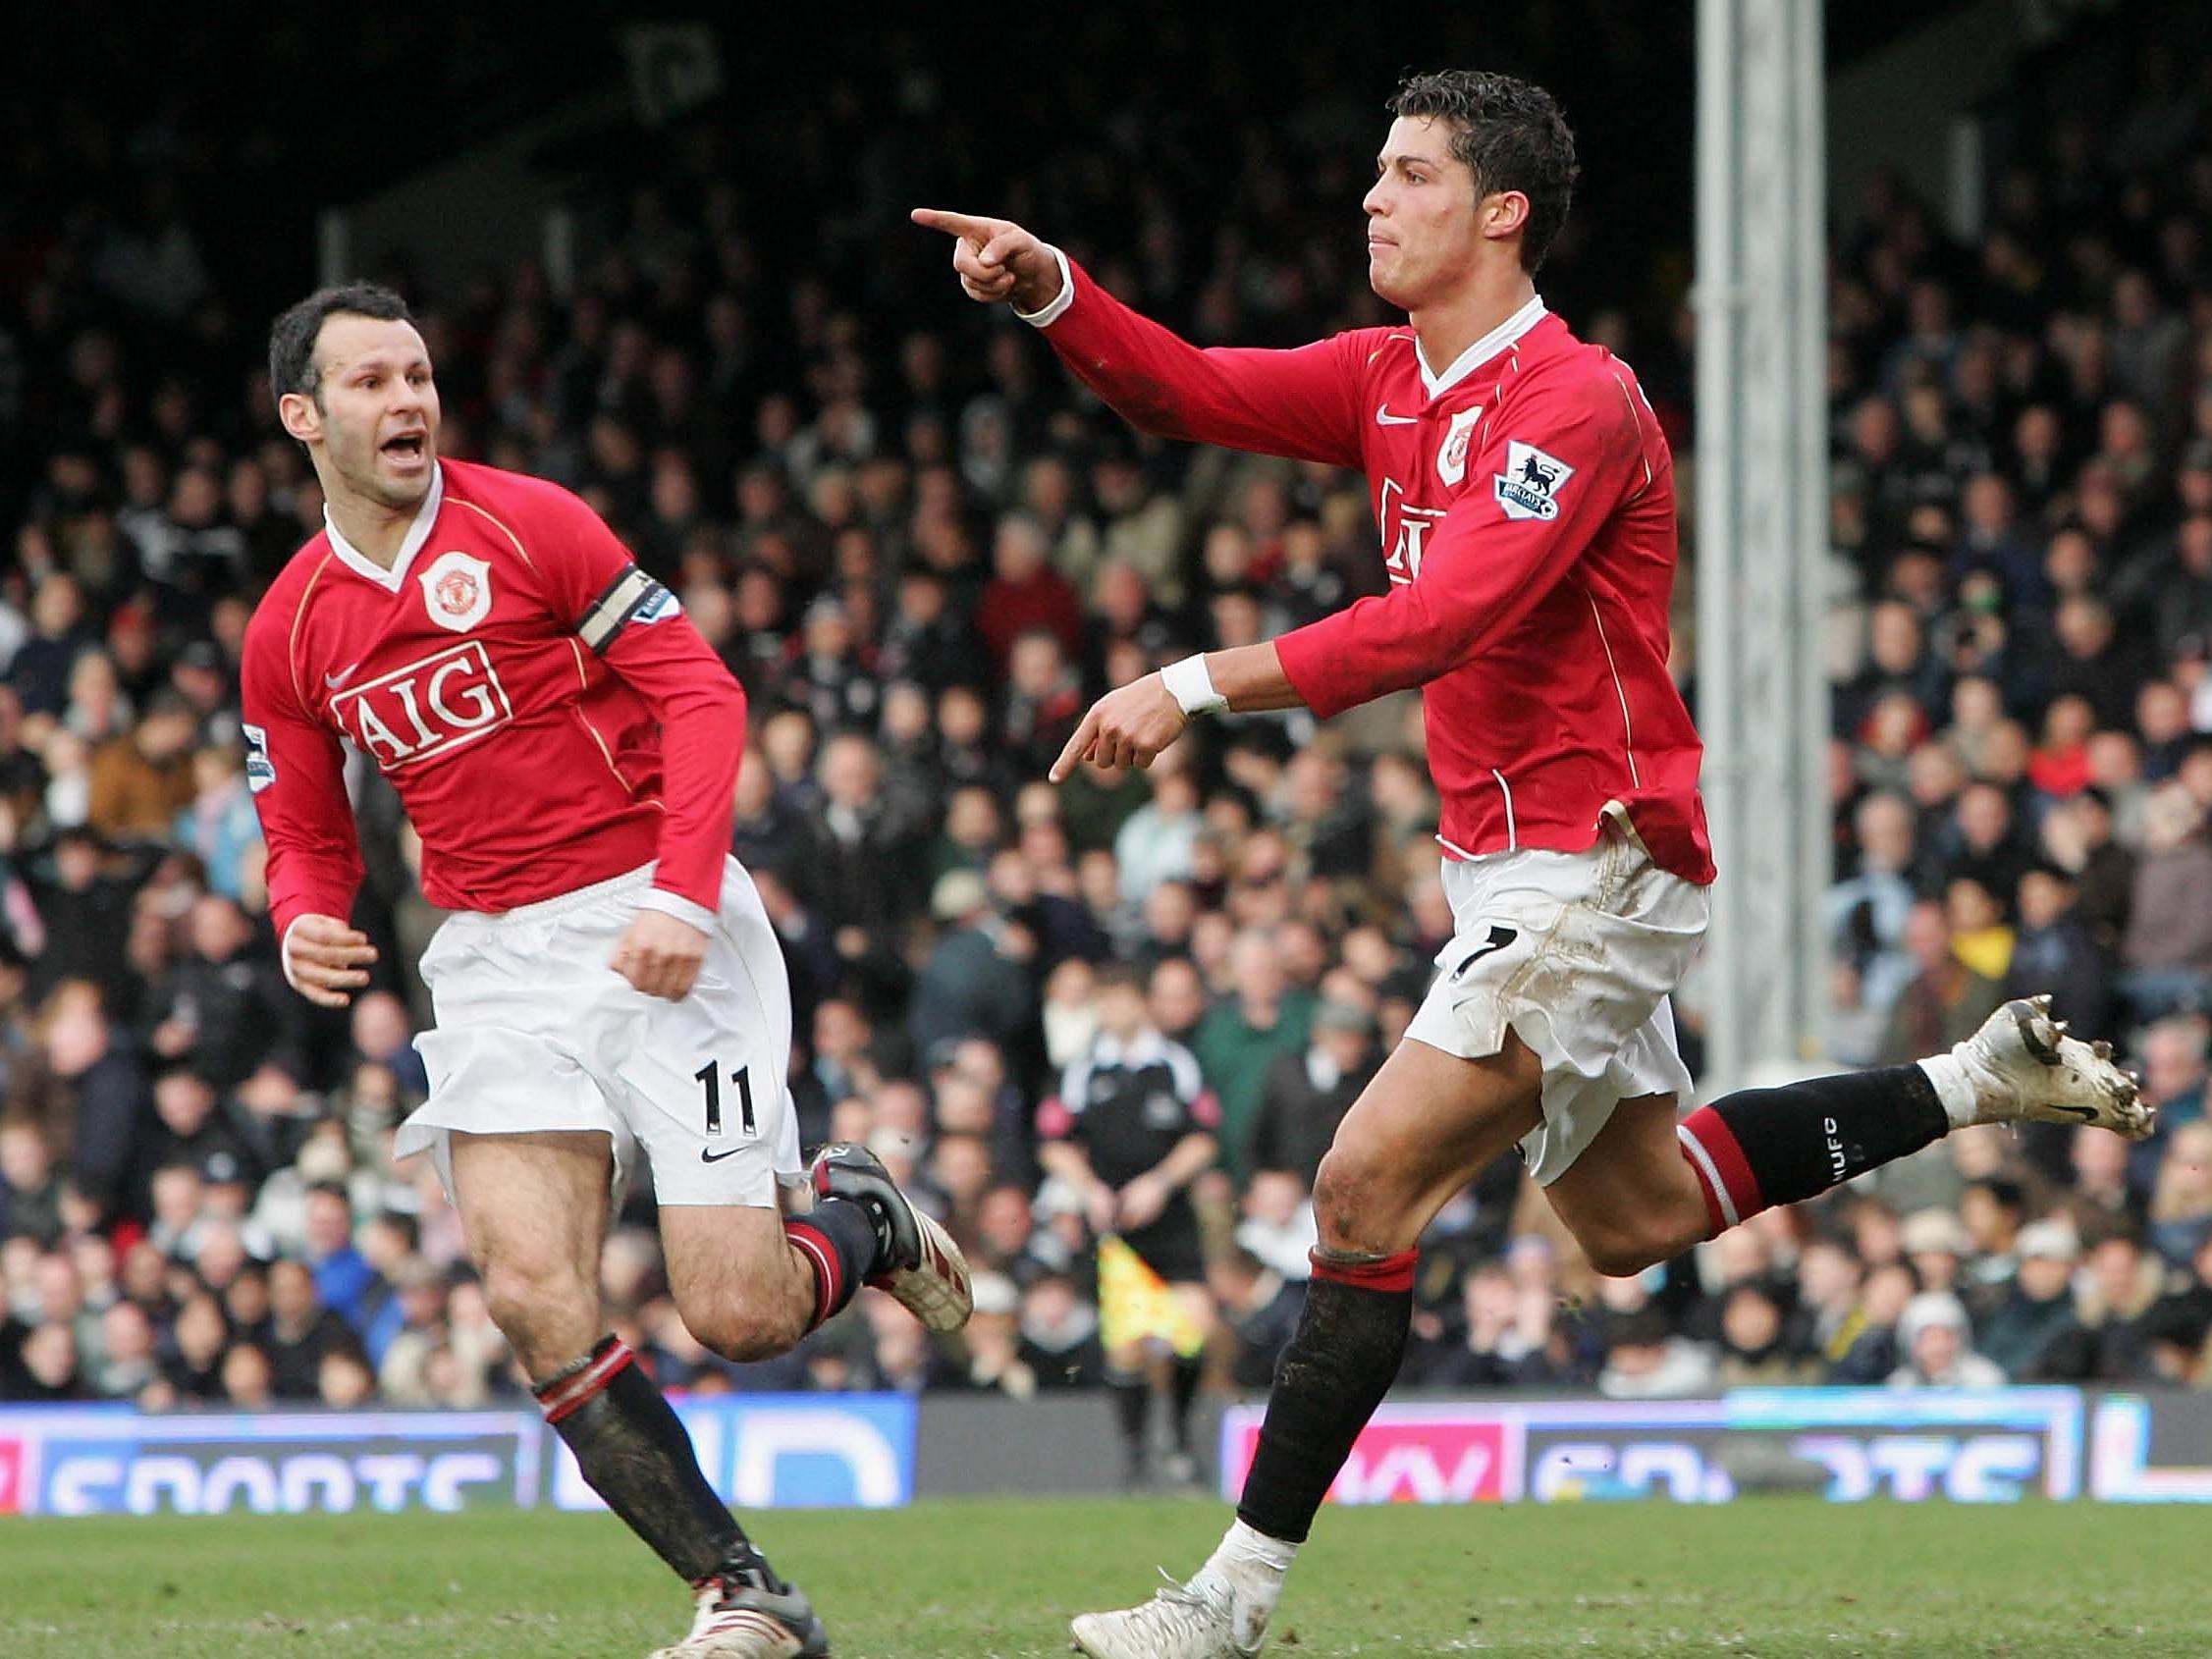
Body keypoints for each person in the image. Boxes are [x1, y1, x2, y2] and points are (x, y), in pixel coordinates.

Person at [918, 68, 2152, 1659]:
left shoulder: (1573, 399)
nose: (1372, 197)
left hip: (1600, 858)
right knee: (1631, 1216)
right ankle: (1974, 1082)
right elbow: (1190, 394)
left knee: (1361, 1184)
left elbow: (1446, 619)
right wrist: (1057, 293)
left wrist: (1193, 683)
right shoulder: (1384, 378)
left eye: (1410, 174)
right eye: (1375, 170)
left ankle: (1225, 1601)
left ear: (1499, 213)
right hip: (1501, 866)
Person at [241, 283, 971, 1659]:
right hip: (493, 962)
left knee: (738, 1312)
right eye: (370, 383)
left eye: (418, 373)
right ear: (303, 417)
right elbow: (301, 813)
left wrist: (687, 892)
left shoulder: (532, 522)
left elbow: (703, 691)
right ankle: (742, 1593)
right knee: (529, 1295)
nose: (407, 400)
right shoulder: (289, 625)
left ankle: (861, 1220)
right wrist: (302, 911)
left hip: (652, 916)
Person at [1038, 963, 1220, 1488]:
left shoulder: (1176, 1064)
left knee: (1194, 1329)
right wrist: (1091, 1190)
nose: (1112, 1012)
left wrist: (1159, 1184)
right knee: (1127, 1344)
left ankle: (1180, 1439)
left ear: (1142, 1004)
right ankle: (1136, 1452)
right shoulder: (1082, 1069)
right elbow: (1054, 1142)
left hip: (1172, 1225)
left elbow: (1205, 1136)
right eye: (1104, 1002)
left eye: (1121, 1000)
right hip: (1115, 1228)